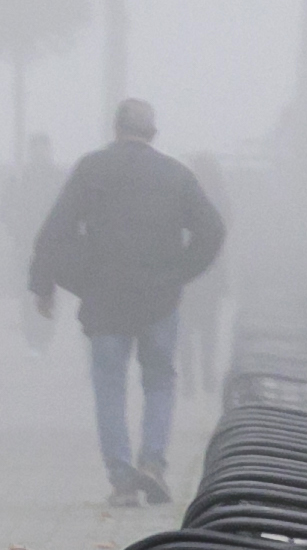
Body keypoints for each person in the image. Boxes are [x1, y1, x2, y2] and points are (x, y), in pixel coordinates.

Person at [27, 98, 226, 504]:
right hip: (158, 297)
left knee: (109, 385)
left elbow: (55, 230)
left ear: (116, 129)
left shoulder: (92, 169)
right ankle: (153, 463)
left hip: (106, 297)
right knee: (159, 381)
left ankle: (122, 479)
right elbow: (212, 229)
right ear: (153, 133)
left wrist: (45, 283)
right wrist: (181, 272)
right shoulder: (175, 175)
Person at [0, 132, 65, 357]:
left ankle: (43, 340)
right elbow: (5, 209)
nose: (40, 152)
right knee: (27, 293)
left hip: (51, 244)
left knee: (49, 292)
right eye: (36, 148)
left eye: (43, 147)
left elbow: (66, 209)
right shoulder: (20, 177)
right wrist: (16, 230)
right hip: (26, 243)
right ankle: (32, 340)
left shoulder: (58, 177)